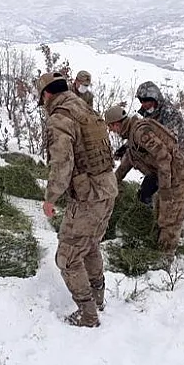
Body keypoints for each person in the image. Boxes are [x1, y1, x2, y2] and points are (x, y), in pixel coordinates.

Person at [38, 71, 117, 328]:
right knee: (90, 246)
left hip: (88, 197)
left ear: (47, 94)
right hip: (107, 189)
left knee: (68, 257)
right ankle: (98, 299)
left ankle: (88, 314)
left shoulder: (60, 118)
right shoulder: (85, 109)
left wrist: (50, 197)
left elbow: (62, 162)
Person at [105, 105, 184, 265]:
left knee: (169, 219)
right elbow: (124, 166)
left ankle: (165, 261)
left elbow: (163, 157)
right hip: (167, 177)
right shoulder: (132, 140)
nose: (112, 131)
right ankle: (175, 241)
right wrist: (110, 186)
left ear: (117, 124)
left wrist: (165, 189)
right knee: (162, 214)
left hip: (177, 176)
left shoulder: (140, 133)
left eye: (111, 127)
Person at [115, 81, 184, 207]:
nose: (143, 104)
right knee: (144, 195)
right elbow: (141, 136)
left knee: (160, 199)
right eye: (141, 101)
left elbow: (169, 143)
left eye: (146, 101)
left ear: (155, 99)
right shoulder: (147, 113)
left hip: (173, 162)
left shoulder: (170, 114)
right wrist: (127, 146)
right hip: (157, 163)